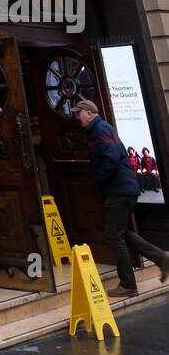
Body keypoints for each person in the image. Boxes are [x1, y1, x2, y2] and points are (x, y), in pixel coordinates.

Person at [72, 99, 169, 294]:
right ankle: (161, 258)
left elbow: (112, 158)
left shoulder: (100, 129)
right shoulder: (100, 128)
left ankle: (128, 284)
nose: (77, 118)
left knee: (113, 235)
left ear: (89, 113)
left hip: (119, 190)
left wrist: (99, 180)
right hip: (123, 189)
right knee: (120, 231)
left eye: (78, 113)